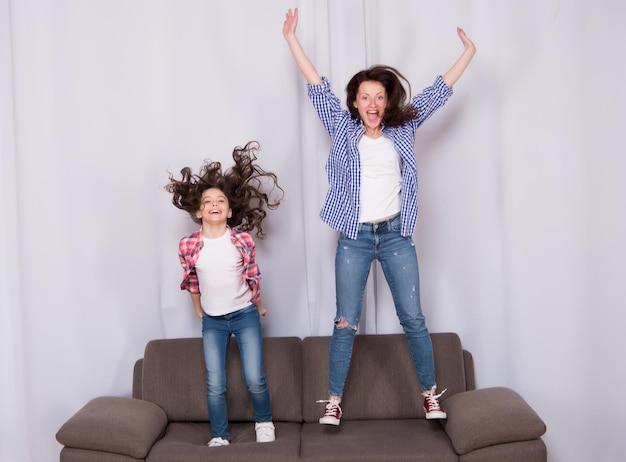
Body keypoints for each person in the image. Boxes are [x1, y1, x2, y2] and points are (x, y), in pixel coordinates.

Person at [282, 8, 476, 425]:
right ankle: (333, 400)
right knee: (345, 322)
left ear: (388, 102)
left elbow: (438, 90)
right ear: (355, 101)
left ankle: (429, 395)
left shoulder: (403, 128)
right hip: (353, 238)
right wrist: (291, 40)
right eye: (364, 97)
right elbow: (316, 84)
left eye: (379, 97)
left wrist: (469, 52)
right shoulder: (341, 126)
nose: (372, 103)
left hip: (395, 236)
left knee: (414, 319)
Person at [165, 141, 283, 446]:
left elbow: (253, 277)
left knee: (254, 377)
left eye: (220, 200)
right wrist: (198, 310)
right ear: (199, 211)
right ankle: (220, 435)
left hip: (245, 315)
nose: (214, 204)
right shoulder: (188, 245)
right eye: (207, 202)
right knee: (215, 383)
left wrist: (260, 307)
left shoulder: (241, 241)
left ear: (229, 211)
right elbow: (192, 282)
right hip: (214, 322)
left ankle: (264, 422)